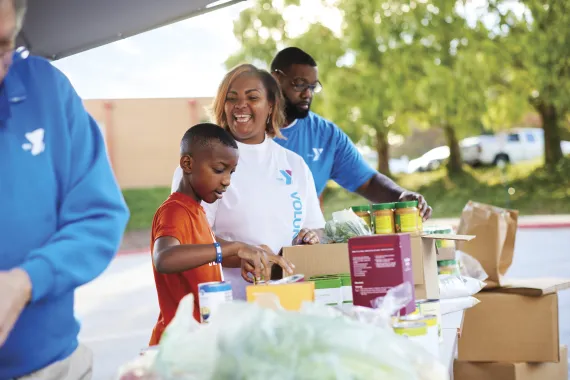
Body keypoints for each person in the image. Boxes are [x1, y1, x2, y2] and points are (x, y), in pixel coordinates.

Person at [0, 0, 130, 379]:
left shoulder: (48, 89)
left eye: (3, 45)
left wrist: (26, 281)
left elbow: (100, 216)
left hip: (53, 367)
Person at [171, 64, 325, 300]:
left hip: (286, 301)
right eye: (232, 99)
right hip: (225, 305)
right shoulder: (202, 164)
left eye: (252, 97)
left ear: (271, 105)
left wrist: (310, 237)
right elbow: (190, 241)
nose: (241, 105)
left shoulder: (294, 164)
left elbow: (315, 227)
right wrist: (241, 254)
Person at [151, 123, 293, 344]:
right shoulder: (174, 211)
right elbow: (164, 258)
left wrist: (244, 257)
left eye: (231, 172)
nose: (227, 180)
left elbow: (204, 248)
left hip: (202, 338)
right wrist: (234, 247)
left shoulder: (196, 211)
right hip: (180, 343)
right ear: (187, 164)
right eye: (219, 170)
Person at [270, 47, 433, 220]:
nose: (307, 94)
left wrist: (401, 195)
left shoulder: (326, 136)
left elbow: (367, 182)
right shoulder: (248, 129)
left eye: (312, 86)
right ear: (275, 79)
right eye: (300, 84)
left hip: (304, 242)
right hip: (252, 243)